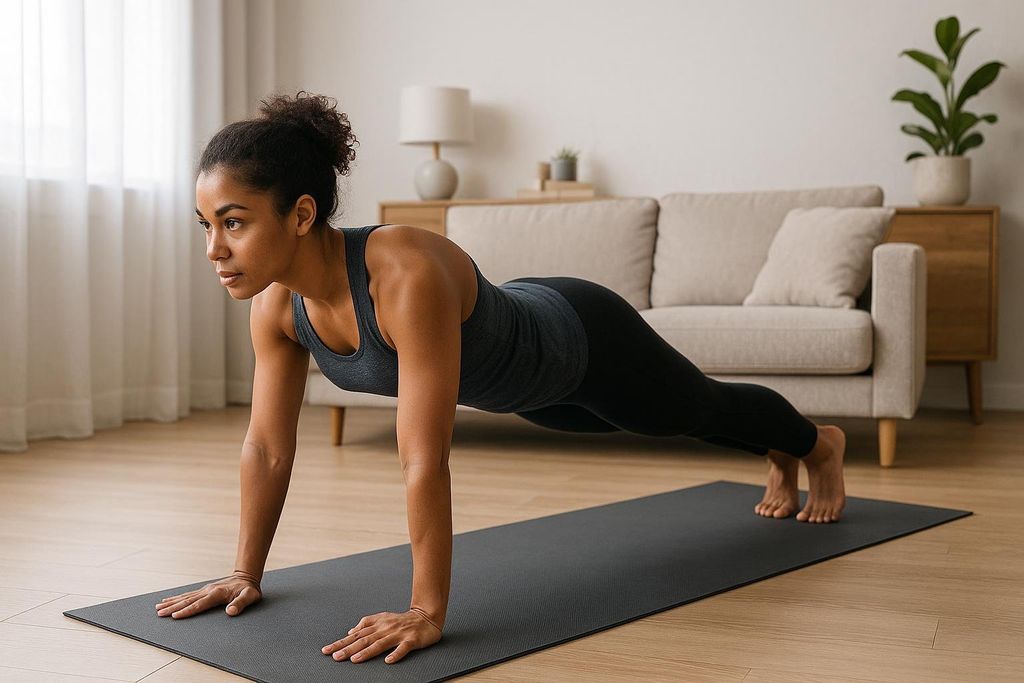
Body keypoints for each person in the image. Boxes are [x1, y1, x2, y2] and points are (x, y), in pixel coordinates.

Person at [155, 91, 847, 665]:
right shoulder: (278, 306)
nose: (214, 248)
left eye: (234, 222)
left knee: (695, 409)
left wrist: (427, 609)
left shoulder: (402, 272)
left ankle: (815, 445)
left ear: (301, 214)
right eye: (206, 225)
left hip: (581, 338)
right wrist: (245, 571)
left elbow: (423, 455)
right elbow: (268, 447)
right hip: (532, 394)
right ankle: (778, 449)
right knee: (653, 417)